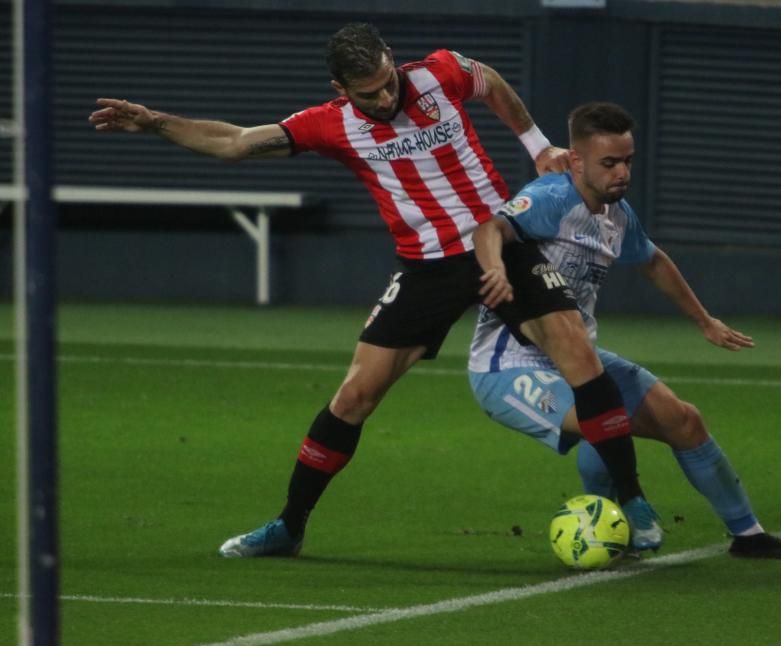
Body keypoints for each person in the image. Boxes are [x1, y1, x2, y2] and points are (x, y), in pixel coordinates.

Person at [88, 23, 663, 557]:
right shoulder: (331, 122)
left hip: (502, 245)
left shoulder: (437, 73)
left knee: (580, 358)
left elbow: (488, 79)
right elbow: (236, 142)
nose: (386, 99)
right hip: (427, 269)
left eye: (388, 83)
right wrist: (156, 122)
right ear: (340, 88)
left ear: (394, 64)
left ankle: (633, 500)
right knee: (353, 398)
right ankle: (289, 526)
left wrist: (537, 144)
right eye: (369, 94)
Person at [469, 101, 781, 559]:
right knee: (603, 421)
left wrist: (704, 321)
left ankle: (748, 535)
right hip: (508, 364)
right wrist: (494, 269)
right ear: (576, 160)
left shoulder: (618, 216)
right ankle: (617, 516)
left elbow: (652, 261)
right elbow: (490, 228)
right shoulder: (550, 199)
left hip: (581, 359)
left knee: (683, 420)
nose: (622, 173)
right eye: (609, 163)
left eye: (627, 161)